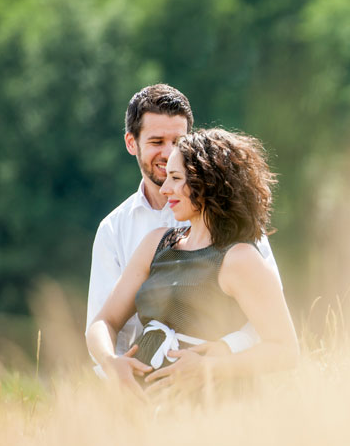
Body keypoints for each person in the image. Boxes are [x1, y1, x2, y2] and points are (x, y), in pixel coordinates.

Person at [86, 84, 280, 378]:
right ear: (131, 143)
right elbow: (105, 323)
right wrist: (118, 376)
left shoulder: (241, 236)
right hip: (140, 391)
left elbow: (271, 319)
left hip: (219, 385)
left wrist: (217, 355)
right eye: (156, 141)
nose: (168, 152)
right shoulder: (116, 230)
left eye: (178, 141)